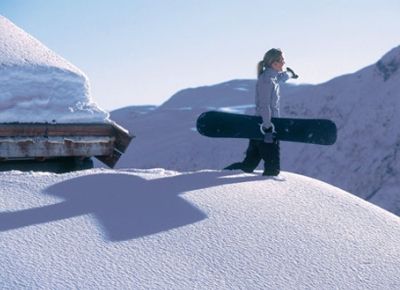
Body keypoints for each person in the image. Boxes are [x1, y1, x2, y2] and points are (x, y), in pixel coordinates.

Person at [224, 48, 298, 176]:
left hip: (259, 127)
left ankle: (212, 176)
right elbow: (264, 105)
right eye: (282, 61)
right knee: (272, 170)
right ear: (274, 63)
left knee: (247, 166)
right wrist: (268, 127)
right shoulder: (266, 81)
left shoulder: (271, 77)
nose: (284, 63)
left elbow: (279, 78)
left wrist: (289, 75)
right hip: (265, 128)